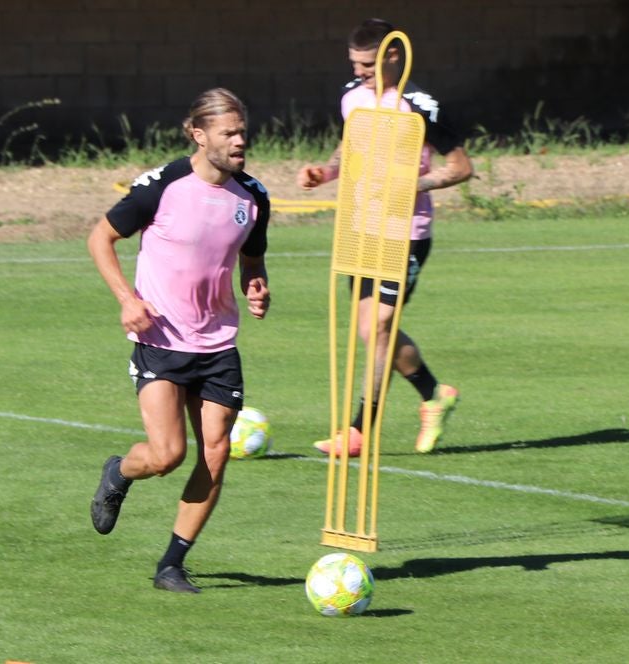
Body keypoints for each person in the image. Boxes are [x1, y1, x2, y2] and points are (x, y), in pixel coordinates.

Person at [87, 88, 271, 594]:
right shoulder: (163, 185)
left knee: (215, 453)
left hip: (218, 345)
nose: (239, 141)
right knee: (166, 455)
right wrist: (127, 298)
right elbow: (99, 238)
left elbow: (251, 259)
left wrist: (255, 283)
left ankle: (172, 564)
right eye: (228, 133)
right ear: (199, 134)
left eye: (242, 132)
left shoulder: (253, 196)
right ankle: (119, 473)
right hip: (161, 338)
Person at [297, 18, 472, 456]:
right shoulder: (350, 96)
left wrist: (411, 185)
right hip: (361, 226)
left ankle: (358, 432)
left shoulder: (420, 106)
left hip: (405, 232)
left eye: (368, 65)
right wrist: (328, 171)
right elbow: (349, 145)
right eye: (355, 64)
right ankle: (435, 394)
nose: (359, 72)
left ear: (394, 56)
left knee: (379, 324)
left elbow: (461, 167)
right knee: (371, 331)